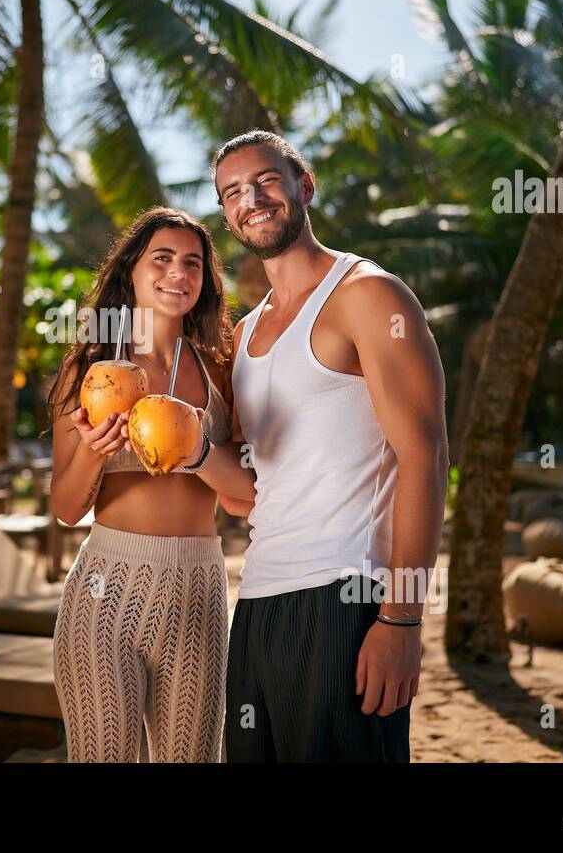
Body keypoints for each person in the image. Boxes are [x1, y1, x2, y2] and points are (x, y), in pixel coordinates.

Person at [211, 130, 449, 762]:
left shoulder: (369, 295)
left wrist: (402, 620)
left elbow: (425, 456)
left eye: (265, 179)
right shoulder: (244, 333)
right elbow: (245, 498)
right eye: (232, 192)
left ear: (303, 186)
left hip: (349, 596)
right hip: (259, 600)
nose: (251, 199)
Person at [49, 206, 256, 762]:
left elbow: (244, 496)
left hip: (198, 590)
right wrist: (94, 455)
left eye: (193, 263)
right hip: (103, 591)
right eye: (161, 259)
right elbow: (66, 508)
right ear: (131, 273)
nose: (178, 274)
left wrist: (196, 452)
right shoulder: (90, 369)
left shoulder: (222, 367)